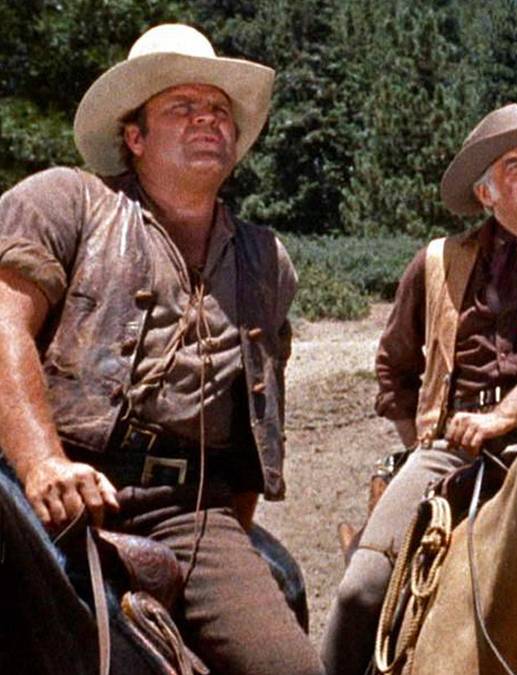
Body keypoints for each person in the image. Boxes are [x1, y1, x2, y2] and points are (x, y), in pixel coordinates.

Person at [0, 24, 320, 674]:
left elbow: (254, 421)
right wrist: (41, 464)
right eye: (182, 107)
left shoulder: (266, 259)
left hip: (186, 511)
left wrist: (229, 528)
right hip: (49, 476)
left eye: (219, 111)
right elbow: (4, 323)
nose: (207, 119)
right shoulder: (64, 200)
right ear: (134, 138)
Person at [322, 103, 517, 674]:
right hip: (451, 446)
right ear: (485, 193)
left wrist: (499, 420)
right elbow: (394, 368)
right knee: (360, 588)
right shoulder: (438, 261)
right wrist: (426, 436)